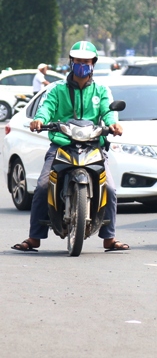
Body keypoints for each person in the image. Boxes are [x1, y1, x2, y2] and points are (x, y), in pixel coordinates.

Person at [11, 41, 129, 252]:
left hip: (93, 146)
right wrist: (39, 120)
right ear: (71, 63)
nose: (81, 65)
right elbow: (46, 108)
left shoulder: (101, 90)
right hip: (62, 145)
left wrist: (113, 123)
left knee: (110, 188)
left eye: (86, 62)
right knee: (42, 187)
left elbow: (108, 111)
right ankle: (35, 237)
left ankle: (109, 238)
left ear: (93, 63)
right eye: (77, 61)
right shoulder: (57, 89)